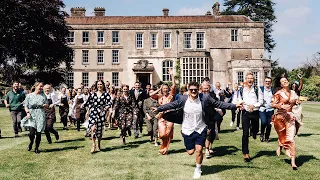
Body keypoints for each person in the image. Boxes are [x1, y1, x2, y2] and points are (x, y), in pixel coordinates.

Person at [152, 81, 241, 179]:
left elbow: (219, 104)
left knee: (199, 150)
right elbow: (172, 105)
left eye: (195, 89)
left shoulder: (205, 98)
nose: (193, 91)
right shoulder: (183, 99)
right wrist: (159, 108)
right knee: (190, 152)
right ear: (188, 90)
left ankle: (198, 169)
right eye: (191, 90)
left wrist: (234, 105)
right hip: (187, 129)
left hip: (200, 128)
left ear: (199, 89)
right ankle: (186, 137)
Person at [271, 75, 299, 170]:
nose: (285, 82)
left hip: (290, 117)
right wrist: (280, 106)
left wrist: (296, 102)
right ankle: (280, 145)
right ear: (281, 84)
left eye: (286, 80)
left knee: (290, 138)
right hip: (280, 118)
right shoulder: (278, 93)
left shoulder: (292, 92)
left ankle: (293, 162)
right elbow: (272, 104)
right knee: (283, 137)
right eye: (283, 81)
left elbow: (294, 101)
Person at [240, 72, 263, 162]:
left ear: (254, 80)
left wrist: (254, 105)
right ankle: (246, 153)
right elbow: (239, 99)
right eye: (248, 78)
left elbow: (261, 101)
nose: (250, 80)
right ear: (246, 80)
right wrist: (241, 105)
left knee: (256, 129)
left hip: (255, 112)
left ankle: (254, 132)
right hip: (245, 113)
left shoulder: (257, 89)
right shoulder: (242, 90)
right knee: (245, 133)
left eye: (251, 78)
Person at [21, 82, 48, 154]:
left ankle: (37, 148)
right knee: (32, 133)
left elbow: (47, 104)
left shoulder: (43, 95)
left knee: (38, 132)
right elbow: (25, 105)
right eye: (40, 86)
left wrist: (45, 105)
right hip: (32, 114)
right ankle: (31, 142)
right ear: (36, 86)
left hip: (40, 114)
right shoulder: (29, 95)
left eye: (42, 87)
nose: (41, 88)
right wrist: (27, 113)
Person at [86, 80, 112, 153]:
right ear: (96, 85)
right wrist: (88, 111)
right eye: (98, 84)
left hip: (101, 114)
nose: (99, 86)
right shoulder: (93, 94)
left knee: (99, 131)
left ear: (103, 85)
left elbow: (110, 102)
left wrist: (106, 107)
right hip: (94, 113)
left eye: (101, 84)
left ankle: (99, 144)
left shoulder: (106, 94)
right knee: (93, 128)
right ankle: (93, 145)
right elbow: (89, 103)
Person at [156, 69, 176, 155]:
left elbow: (174, 85)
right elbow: (150, 94)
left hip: (170, 116)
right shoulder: (159, 96)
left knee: (167, 133)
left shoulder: (171, 96)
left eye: (166, 88)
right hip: (161, 117)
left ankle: (165, 149)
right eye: (164, 88)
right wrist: (158, 89)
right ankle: (163, 145)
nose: (165, 90)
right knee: (162, 134)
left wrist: (172, 75)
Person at [259, 77, 275, 142]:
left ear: (271, 83)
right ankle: (262, 133)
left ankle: (267, 137)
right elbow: (259, 99)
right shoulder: (261, 89)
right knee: (264, 122)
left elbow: (275, 99)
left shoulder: (273, 90)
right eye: (266, 81)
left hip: (270, 110)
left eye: (269, 81)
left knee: (269, 124)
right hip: (262, 109)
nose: (267, 82)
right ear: (264, 82)